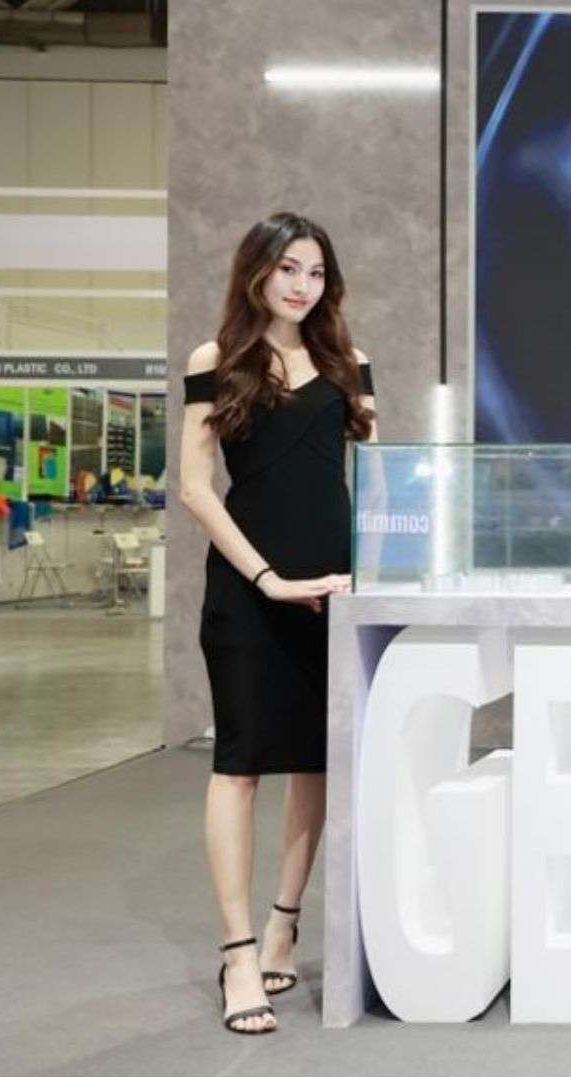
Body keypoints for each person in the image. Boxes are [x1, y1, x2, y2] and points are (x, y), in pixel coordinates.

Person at [178, 212, 376, 1035]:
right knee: (240, 765)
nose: (302, 285)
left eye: (317, 272)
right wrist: (267, 578)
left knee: (315, 763)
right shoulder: (216, 361)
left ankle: (285, 923)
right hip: (249, 590)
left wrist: (371, 572)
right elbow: (194, 486)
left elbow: (375, 478)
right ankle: (237, 956)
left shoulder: (350, 365)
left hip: (333, 588)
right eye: (289, 268)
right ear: (256, 270)